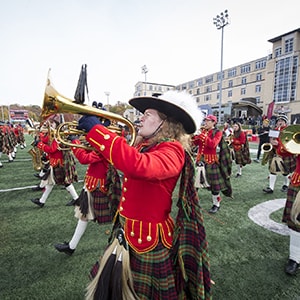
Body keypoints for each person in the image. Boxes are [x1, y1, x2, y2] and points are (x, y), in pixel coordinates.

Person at [79, 91, 211, 299]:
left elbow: (138, 166)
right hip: (127, 231)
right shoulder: (147, 145)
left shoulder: (173, 150)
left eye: (148, 114)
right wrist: (102, 130)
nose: (141, 117)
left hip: (148, 240)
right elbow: (123, 155)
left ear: (166, 123)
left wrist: (97, 131)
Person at [54, 136, 121, 255]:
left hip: (98, 185)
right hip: (92, 184)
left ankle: (120, 243)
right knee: (83, 214)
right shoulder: (102, 140)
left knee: (116, 217)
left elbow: (84, 158)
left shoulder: (105, 142)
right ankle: (71, 246)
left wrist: (75, 142)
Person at [30, 117, 79, 208]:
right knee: (50, 183)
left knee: (64, 182)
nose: (50, 125)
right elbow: (48, 144)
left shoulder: (57, 135)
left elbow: (53, 149)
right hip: (55, 161)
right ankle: (42, 201)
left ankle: (76, 199)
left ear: (57, 125)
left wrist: (40, 145)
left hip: (59, 162)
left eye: (52, 123)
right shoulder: (53, 134)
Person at [193, 114, 233, 214]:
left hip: (211, 161)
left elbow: (212, 144)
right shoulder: (203, 131)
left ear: (213, 122)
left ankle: (216, 204)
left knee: (214, 186)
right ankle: (192, 203)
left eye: (208, 121)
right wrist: (195, 136)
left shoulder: (218, 132)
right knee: (195, 184)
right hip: (199, 161)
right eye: (205, 120)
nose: (205, 122)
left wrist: (203, 136)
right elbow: (195, 143)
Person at [277, 126, 300, 275]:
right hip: (298, 183)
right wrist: (280, 141)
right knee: (295, 223)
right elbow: (282, 152)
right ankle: (294, 258)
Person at [263, 114, 296, 194]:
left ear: (285, 122)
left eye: (282, 121)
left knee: (285, 171)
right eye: (278, 121)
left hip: (285, 154)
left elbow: (289, 144)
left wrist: (278, 144)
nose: (280, 122)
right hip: (275, 153)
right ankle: (271, 188)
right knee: (272, 170)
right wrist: (271, 141)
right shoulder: (275, 130)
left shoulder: (288, 131)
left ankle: (286, 185)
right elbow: (271, 140)